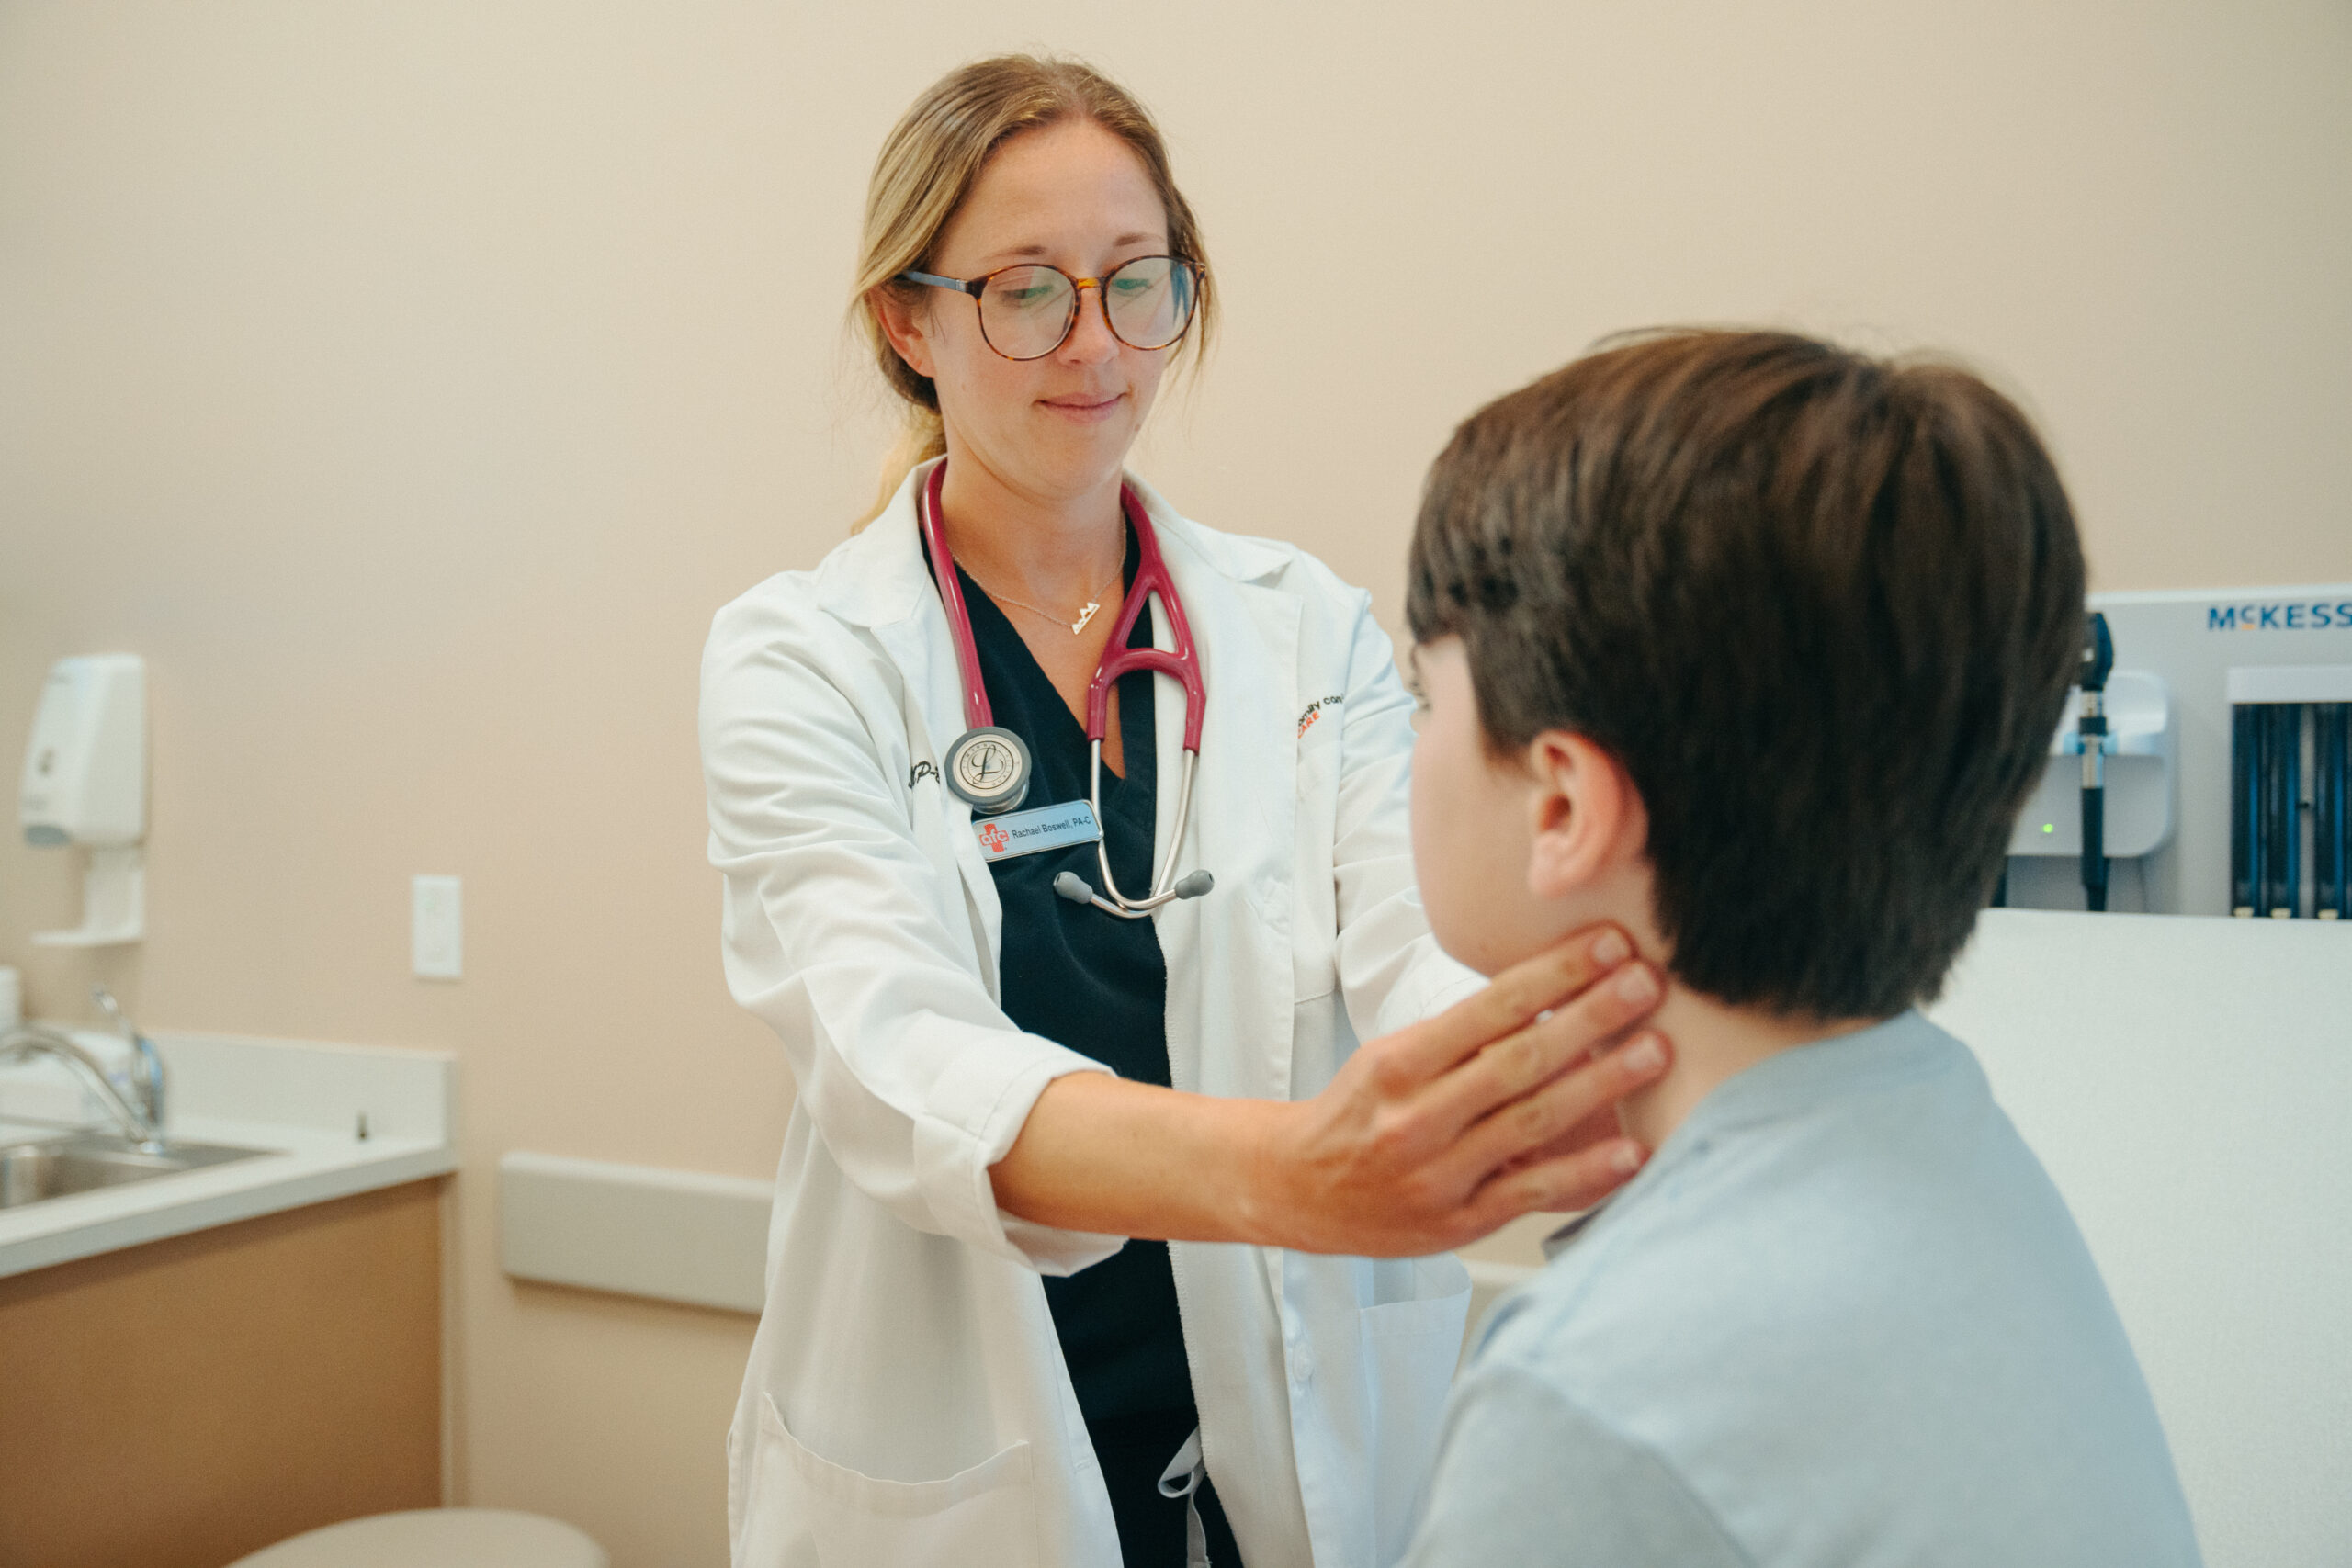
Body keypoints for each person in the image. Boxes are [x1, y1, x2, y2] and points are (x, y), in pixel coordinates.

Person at [699, 56, 1675, 1568]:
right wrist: (1298, 1177)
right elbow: (895, 1058)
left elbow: (1424, 944)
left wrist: (1587, 1068)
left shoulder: (1304, 631)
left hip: (1275, 1456)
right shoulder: (804, 658)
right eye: (1027, 290)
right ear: (908, 320)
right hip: (972, 1466)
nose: (1095, 342)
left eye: (1136, 281)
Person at [1396, 331, 2203, 1566]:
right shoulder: (1945, 1131)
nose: (1412, 744)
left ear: (1562, 805)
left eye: (1423, 699)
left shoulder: (1595, 1394)